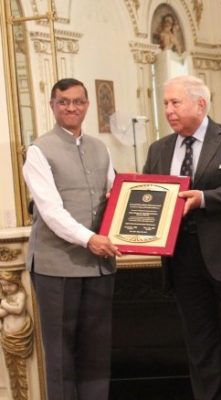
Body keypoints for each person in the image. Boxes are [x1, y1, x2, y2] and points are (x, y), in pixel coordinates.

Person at [142, 75, 221, 400]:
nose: (168, 110)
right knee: (200, 347)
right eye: (165, 103)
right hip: (182, 261)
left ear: (200, 103)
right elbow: (147, 197)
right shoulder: (159, 149)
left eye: (175, 102)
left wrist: (205, 199)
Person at [23, 78, 121, 400]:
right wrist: (91, 239)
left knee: (96, 354)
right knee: (61, 356)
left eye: (78, 101)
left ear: (87, 106)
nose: (71, 107)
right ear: (52, 105)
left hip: (99, 267)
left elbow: (115, 196)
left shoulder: (100, 147)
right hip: (56, 268)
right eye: (63, 101)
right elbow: (51, 212)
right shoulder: (39, 151)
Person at [0, 271, 34, 399]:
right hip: (7, 338)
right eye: (3, 285)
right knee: (12, 371)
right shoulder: (6, 298)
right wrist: (6, 307)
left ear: (17, 283)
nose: (6, 288)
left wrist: (5, 305)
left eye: (9, 284)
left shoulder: (20, 294)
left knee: (22, 370)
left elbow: (19, 309)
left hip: (20, 337)